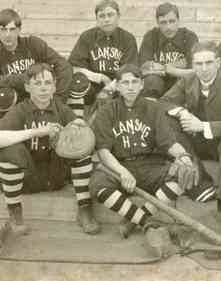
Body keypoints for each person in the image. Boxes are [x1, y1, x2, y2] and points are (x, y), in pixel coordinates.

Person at [89, 63, 214, 239]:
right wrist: (123, 173)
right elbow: (103, 152)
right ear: (117, 86)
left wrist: (183, 156)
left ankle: (135, 220)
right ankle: (146, 223)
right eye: (125, 83)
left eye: (135, 82)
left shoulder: (153, 109)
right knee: (98, 184)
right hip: (119, 166)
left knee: (181, 175)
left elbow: (168, 143)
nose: (130, 87)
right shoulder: (106, 111)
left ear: (142, 84)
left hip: (150, 165)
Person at [0, 63, 99, 235]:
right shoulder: (20, 110)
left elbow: (80, 129)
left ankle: (84, 208)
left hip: (56, 175)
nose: (43, 88)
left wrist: (75, 128)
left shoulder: (61, 107)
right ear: (27, 87)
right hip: (28, 178)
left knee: (81, 149)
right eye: (37, 84)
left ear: (54, 86)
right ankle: (15, 213)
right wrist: (37, 132)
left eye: (47, 83)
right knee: (9, 153)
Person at [161, 41, 221, 216]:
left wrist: (203, 126)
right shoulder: (188, 80)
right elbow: (163, 102)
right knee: (168, 121)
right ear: (192, 65)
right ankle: (198, 177)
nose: (203, 68)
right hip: (197, 143)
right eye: (198, 64)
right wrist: (182, 112)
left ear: (218, 62)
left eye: (208, 63)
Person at [68, 0, 138, 117]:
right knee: (76, 82)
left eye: (110, 15)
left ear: (118, 16)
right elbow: (75, 66)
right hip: (94, 82)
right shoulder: (87, 37)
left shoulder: (128, 39)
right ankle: (77, 123)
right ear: (97, 19)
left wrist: (109, 88)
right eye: (102, 16)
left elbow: (130, 70)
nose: (106, 19)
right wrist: (100, 77)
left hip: (118, 84)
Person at [0, 8, 73, 115]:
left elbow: (64, 66)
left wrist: (58, 98)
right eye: (3, 29)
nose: (8, 35)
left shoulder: (32, 44)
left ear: (19, 30)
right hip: (15, 103)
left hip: (42, 96)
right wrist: (23, 78)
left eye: (12, 29)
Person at [139, 2, 198, 98]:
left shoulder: (189, 36)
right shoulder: (151, 36)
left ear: (178, 21)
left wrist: (165, 68)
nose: (168, 27)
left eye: (172, 21)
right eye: (163, 22)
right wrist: (177, 64)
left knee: (188, 82)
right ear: (157, 23)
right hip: (156, 84)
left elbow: (194, 72)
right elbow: (144, 69)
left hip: (180, 82)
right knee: (151, 80)